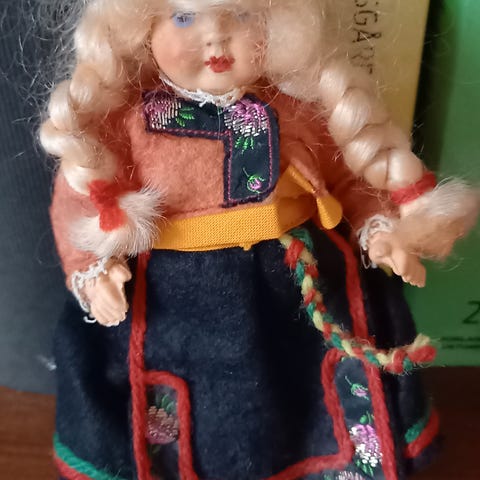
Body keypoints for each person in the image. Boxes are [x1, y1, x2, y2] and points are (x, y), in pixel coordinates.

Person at [41, 1, 478, 479]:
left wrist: (379, 228)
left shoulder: (296, 108)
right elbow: (82, 198)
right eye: (184, 18)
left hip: (292, 291)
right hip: (177, 300)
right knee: (193, 412)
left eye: (243, 16)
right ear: (140, 30)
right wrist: (94, 268)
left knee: (305, 396)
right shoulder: (129, 122)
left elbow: (349, 180)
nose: (216, 37)